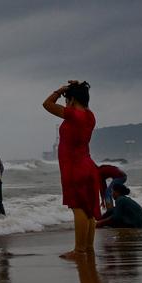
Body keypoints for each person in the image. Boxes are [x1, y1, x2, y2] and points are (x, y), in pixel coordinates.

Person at [43, 80, 101, 259]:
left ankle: (79, 250)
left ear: (72, 98)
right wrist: (75, 89)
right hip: (88, 165)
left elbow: (47, 104)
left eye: (67, 98)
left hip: (75, 168)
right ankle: (87, 248)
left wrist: (59, 90)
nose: (65, 101)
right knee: (89, 210)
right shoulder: (90, 115)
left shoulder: (73, 114)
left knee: (78, 208)